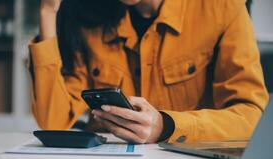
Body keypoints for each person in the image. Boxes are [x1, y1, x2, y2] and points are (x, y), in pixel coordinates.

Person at [28, 0, 269, 144]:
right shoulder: (89, 15)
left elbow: (251, 118)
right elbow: (53, 122)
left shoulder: (222, 8)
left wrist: (167, 126)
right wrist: (48, 11)